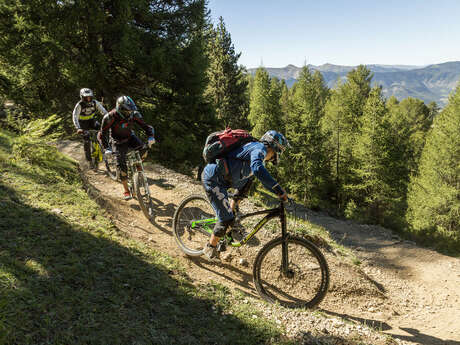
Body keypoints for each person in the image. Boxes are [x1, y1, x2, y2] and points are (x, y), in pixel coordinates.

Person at [201, 130, 289, 261]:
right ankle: (210, 248)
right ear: (272, 147)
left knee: (233, 213)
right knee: (226, 218)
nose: (274, 157)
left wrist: (234, 207)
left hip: (224, 181)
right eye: (276, 153)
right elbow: (258, 169)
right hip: (213, 180)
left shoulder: (256, 154)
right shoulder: (259, 148)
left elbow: (252, 179)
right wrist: (278, 190)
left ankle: (226, 224)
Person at [99, 95, 155, 200]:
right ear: (120, 109)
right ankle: (126, 190)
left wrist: (151, 137)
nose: (130, 113)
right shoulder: (110, 117)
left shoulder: (134, 114)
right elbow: (102, 134)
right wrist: (107, 148)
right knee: (122, 168)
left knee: (143, 150)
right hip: (117, 142)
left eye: (131, 111)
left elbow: (146, 127)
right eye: (127, 111)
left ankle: (138, 172)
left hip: (130, 137)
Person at [72, 88, 108, 162]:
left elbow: (103, 111)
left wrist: (109, 118)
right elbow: (75, 116)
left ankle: (107, 148)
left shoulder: (95, 102)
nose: (88, 99)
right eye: (86, 97)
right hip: (82, 124)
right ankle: (89, 161)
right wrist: (78, 128)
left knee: (102, 130)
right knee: (87, 140)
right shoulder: (79, 105)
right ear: (82, 97)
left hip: (92, 121)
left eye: (90, 97)